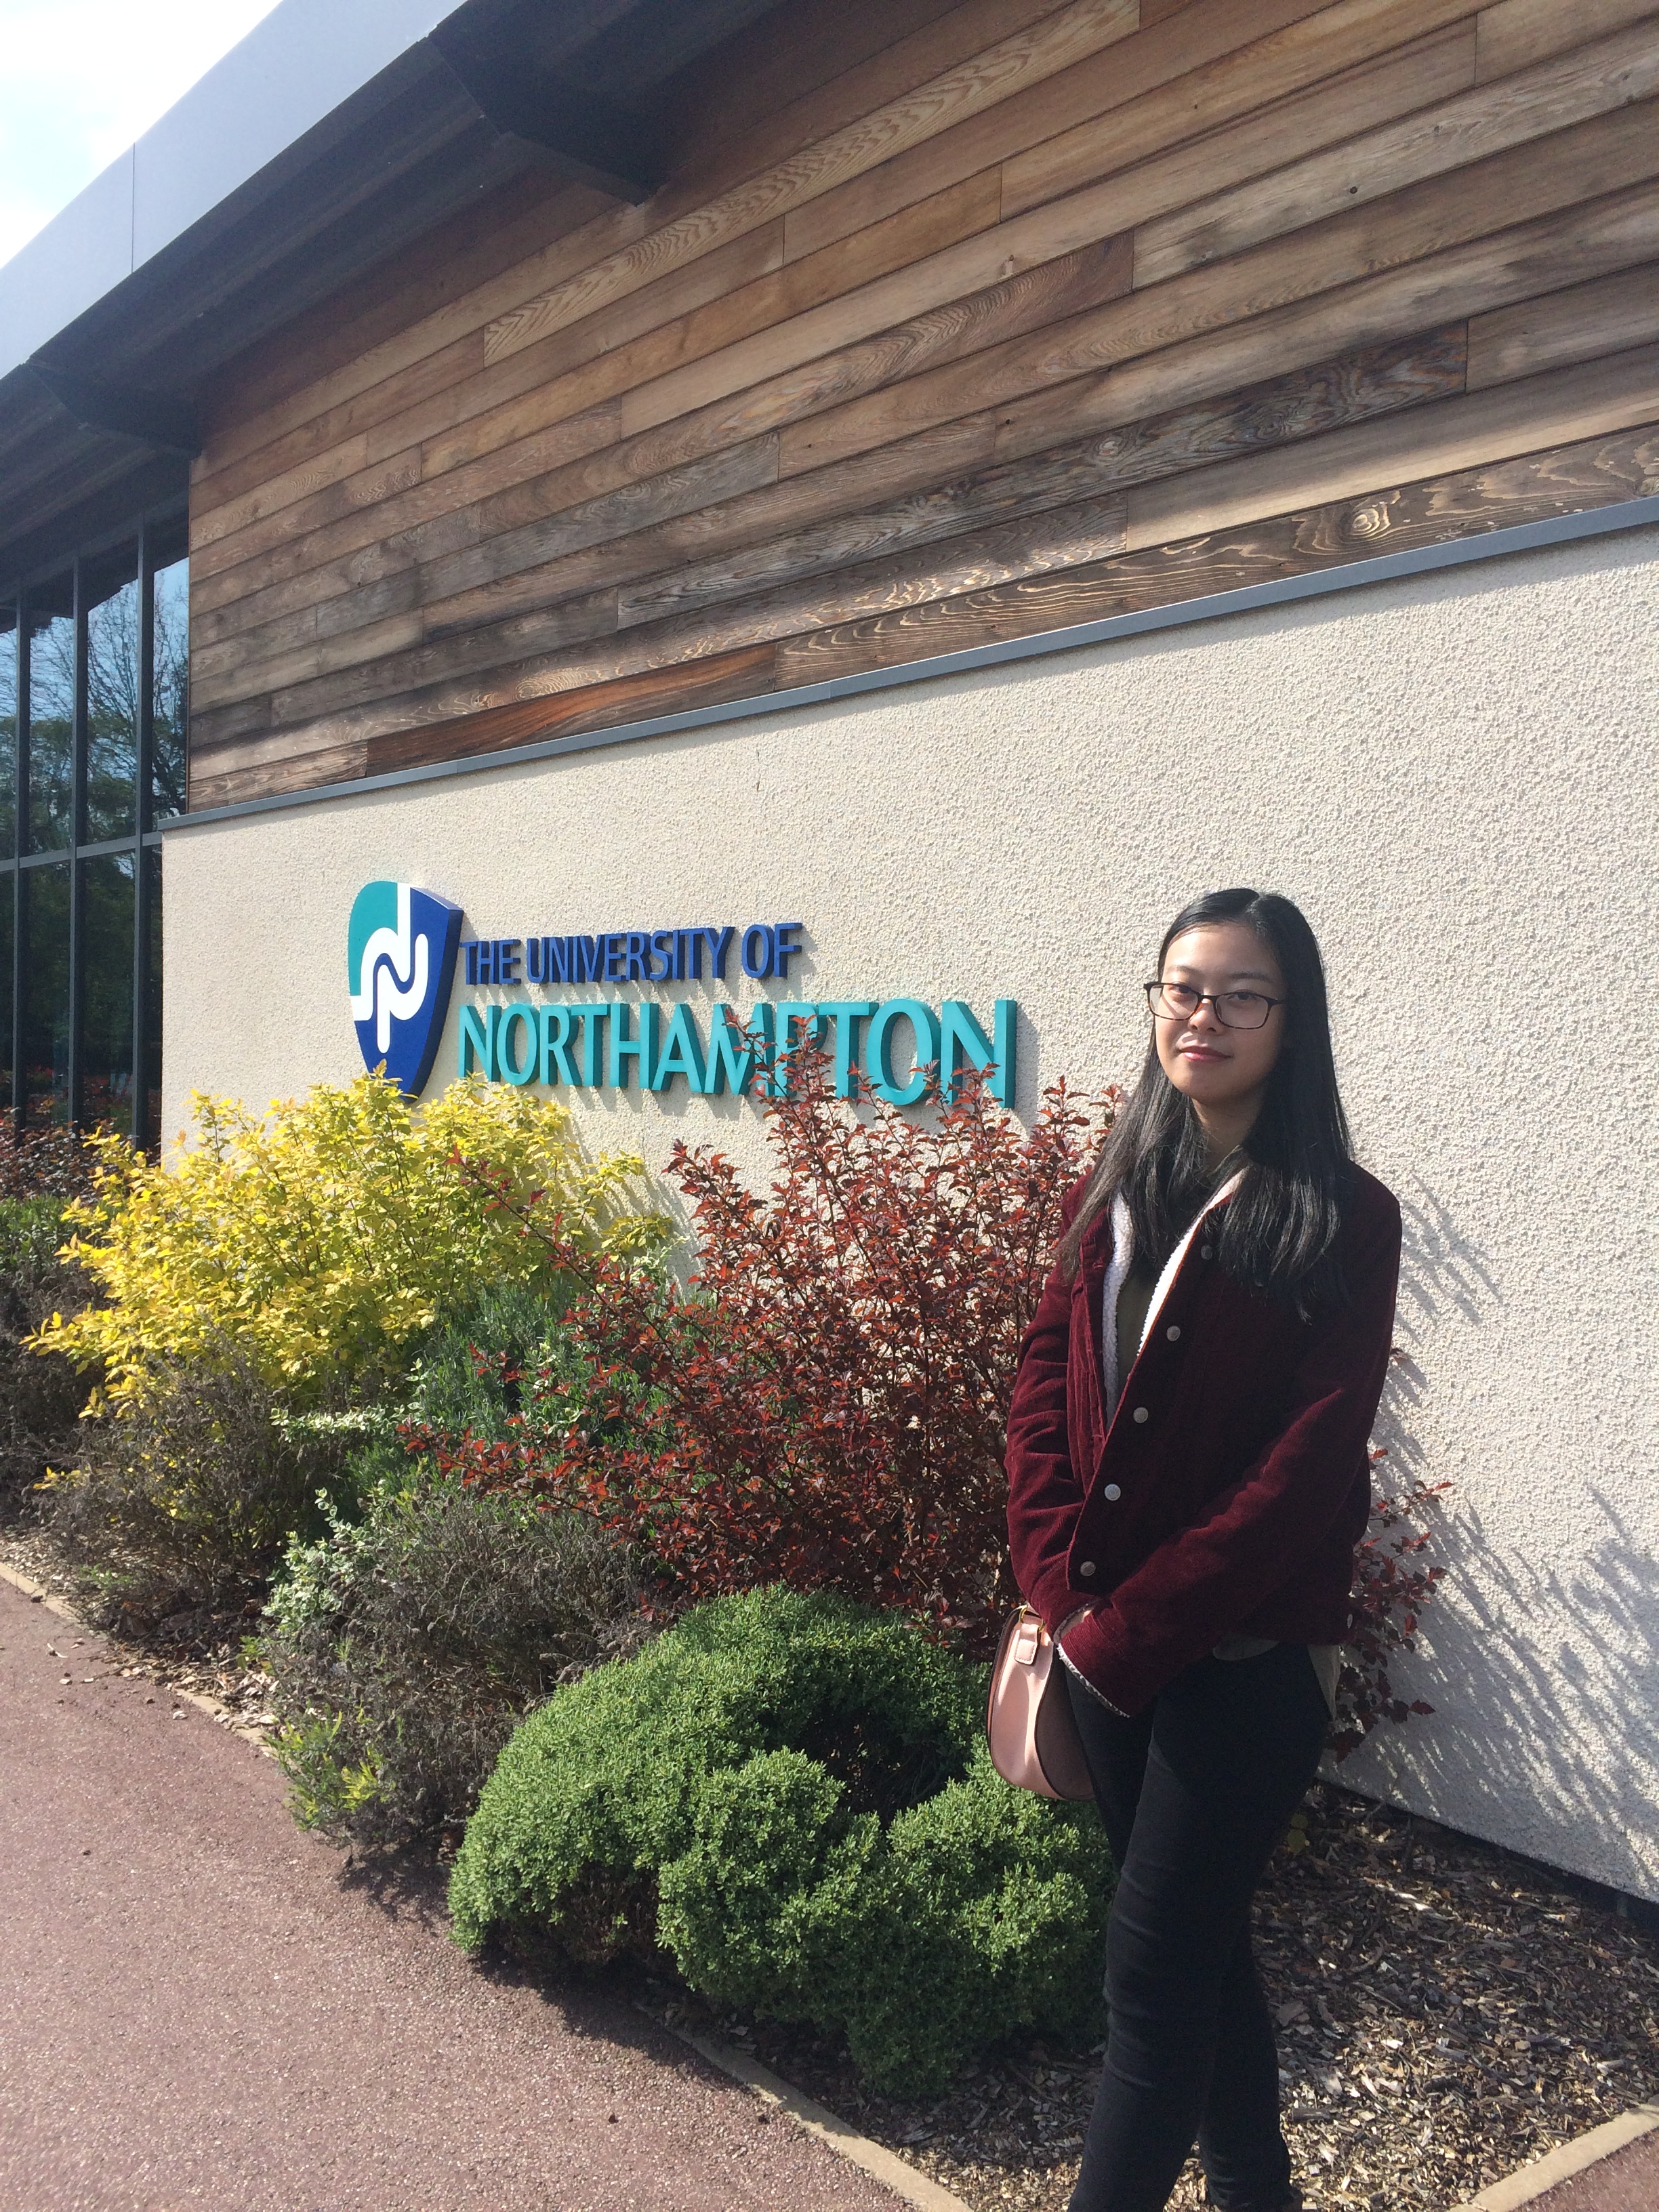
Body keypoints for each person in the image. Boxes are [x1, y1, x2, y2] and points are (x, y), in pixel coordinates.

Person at [1004, 886, 1401, 2212]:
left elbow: (1306, 1468)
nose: (1204, 1017)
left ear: (1293, 1020)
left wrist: (1126, 1631)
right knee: (1202, 1947)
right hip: (1104, 1653)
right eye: (1183, 988)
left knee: (1154, 1972)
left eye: (1242, 995)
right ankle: (1254, 2192)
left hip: (1246, 1660)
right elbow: (1041, 1387)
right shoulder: (1115, 1187)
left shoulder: (1345, 1216)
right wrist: (1062, 1593)